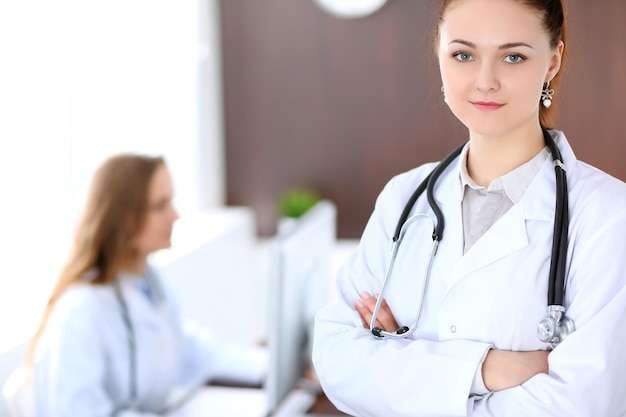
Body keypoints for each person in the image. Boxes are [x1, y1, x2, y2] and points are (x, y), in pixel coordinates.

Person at [312, 0, 626, 416]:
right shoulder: (403, 198)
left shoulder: (608, 217)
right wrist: (486, 369)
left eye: (513, 57)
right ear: (439, 55)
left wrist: (402, 368)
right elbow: (336, 357)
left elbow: (579, 404)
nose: (485, 81)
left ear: (552, 61)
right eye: (464, 55)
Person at [23, 154, 268, 416]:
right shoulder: (81, 310)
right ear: (125, 219)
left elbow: (191, 348)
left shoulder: (147, 281)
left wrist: (270, 366)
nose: (175, 216)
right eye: (161, 206)